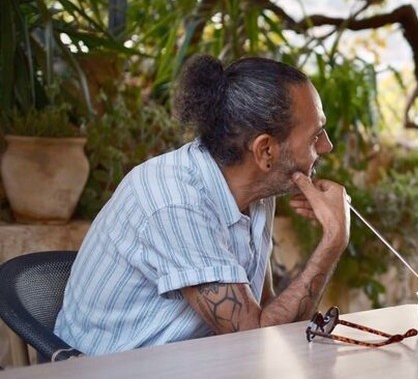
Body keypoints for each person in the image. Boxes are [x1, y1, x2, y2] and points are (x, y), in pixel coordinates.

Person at [55, 55, 350, 355]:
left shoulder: (258, 192)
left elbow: (267, 315)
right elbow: (252, 337)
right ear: (265, 151)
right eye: (315, 136)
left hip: (187, 360)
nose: (326, 146)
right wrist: (333, 240)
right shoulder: (176, 202)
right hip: (105, 367)